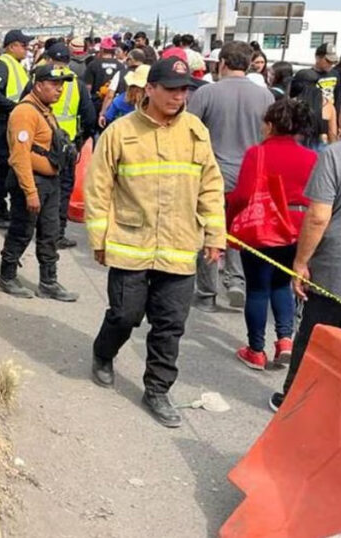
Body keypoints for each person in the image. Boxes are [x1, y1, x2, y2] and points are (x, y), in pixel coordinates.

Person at [85, 57, 226, 428]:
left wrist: (215, 235)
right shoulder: (121, 132)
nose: (179, 97)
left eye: (185, 91)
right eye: (172, 89)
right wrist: (98, 237)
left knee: (170, 324)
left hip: (179, 247)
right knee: (125, 314)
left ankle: (158, 390)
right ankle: (103, 353)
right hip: (131, 243)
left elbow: (211, 186)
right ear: (150, 89)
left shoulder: (196, 131)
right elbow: (98, 188)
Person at [271, 96, 341, 412]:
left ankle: (295, 405)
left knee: (317, 342)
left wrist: (301, 262)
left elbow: (318, 215)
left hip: (334, 272)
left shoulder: (335, 156)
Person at [228, 99, 317, 370]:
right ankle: (285, 340)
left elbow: (242, 195)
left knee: (257, 288)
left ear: (269, 125)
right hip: (300, 226)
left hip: (264, 226)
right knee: (282, 284)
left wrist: (229, 227)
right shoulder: (312, 157)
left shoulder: (258, 154)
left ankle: (256, 350)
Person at [187, 41, 274, 313]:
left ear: (222, 63)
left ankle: (206, 292)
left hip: (213, 173)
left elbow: (188, 131)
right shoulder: (266, 97)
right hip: (250, 175)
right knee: (239, 231)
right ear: (249, 64)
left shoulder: (206, 93)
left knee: (209, 230)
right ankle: (236, 281)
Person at [0, 64, 79, 302]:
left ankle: (49, 282)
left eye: (61, 85)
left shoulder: (45, 110)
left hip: (50, 181)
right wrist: (30, 191)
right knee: (22, 230)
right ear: (39, 84)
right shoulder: (25, 112)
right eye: (54, 85)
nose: (59, 90)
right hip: (31, 181)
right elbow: (19, 156)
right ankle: (8, 276)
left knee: (50, 233)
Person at [44, 43, 97, 250]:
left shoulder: (38, 78)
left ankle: (36, 229)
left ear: (49, 58)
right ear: (69, 60)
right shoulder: (76, 83)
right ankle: (56, 235)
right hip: (66, 144)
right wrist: (82, 141)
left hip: (41, 141)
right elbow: (89, 116)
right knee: (63, 189)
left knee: (39, 186)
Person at [0, 29, 32, 229]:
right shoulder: (4, 64)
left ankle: (0, 209)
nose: (27, 50)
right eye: (24, 46)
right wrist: (16, 108)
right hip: (2, 123)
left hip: (11, 123)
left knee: (8, 168)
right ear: (12, 46)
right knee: (3, 168)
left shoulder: (17, 66)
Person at [84, 36, 126, 127]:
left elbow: (88, 87)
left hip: (96, 104)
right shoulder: (121, 66)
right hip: (113, 105)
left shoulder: (93, 65)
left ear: (101, 49)